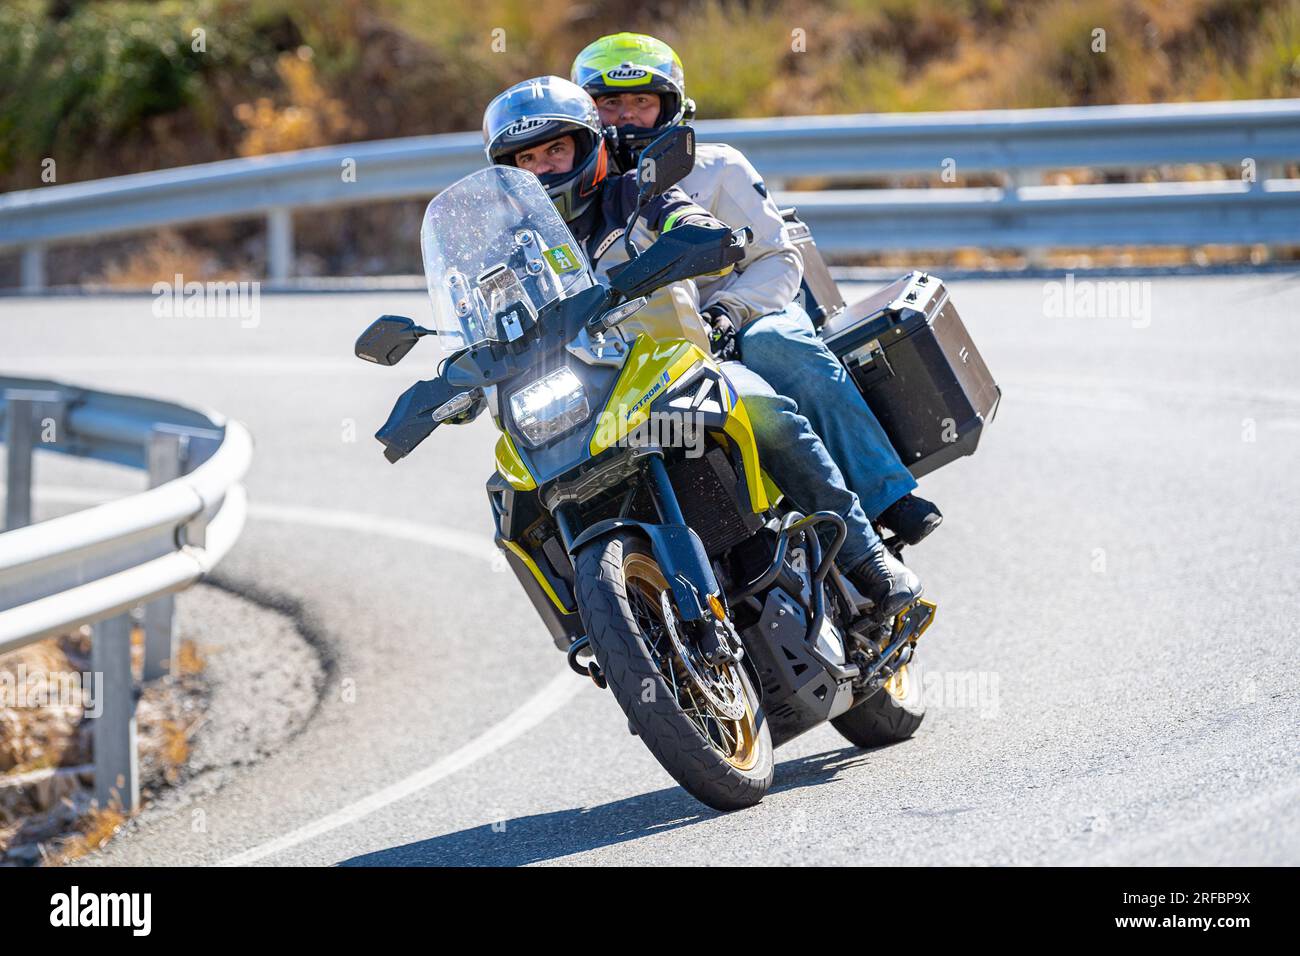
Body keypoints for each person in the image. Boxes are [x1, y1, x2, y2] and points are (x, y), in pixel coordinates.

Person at [482, 76, 921, 616]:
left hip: (681, 371)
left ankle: (866, 556)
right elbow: (483, 326)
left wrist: (694, 229)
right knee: (512, 492)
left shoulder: (632, 196)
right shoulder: (508, 256)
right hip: (591, 402)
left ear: (588, 146)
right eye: (529, 158)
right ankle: (597, 624)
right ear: (509, 172)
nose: (545, 167)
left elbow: (681, 215)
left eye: (557, 148)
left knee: (762, 409)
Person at [571, 33, 942, 546]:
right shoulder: (569, 197)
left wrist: (727, 312)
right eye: (610, 103)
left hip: (746, 314)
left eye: (642, 101)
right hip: (648, 348)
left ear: (672, 109)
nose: (627, 115)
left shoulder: (718, 168)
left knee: (778, 345)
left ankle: (886, 497)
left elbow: (777, 256)